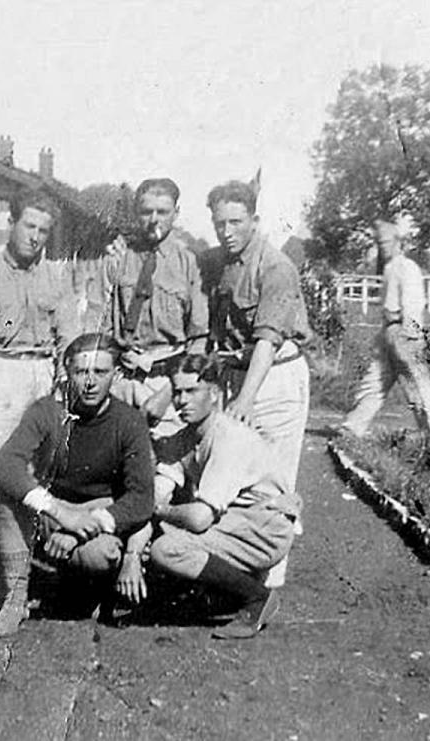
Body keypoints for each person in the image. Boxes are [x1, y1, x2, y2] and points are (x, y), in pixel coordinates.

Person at [0, 333, 154, 637]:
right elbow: (4, 466)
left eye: (101, 372)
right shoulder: (47, 411)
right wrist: (62, 514)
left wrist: (79, 529)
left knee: (100, 555)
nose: (90, 382)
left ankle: (88, 591)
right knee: (8, 497)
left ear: (116, 375)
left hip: (96, 513)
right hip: (55, 509)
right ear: (67, 371)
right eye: (81, 372)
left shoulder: (129, 421)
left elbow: (141, 498)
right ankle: (15, 598)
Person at [203, 181, 311, 587]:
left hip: (274, 376)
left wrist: (245, 399)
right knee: (237, 477)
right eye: (219, 224)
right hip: (238, 374)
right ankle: (238, 575)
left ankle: (269, 585)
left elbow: (267, 339)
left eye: (236, 222)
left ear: (255, 221)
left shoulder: (276, 266)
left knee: (273, 481)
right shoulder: (222, 261)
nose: (227, 231)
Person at [148, 353, 299, 639]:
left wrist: (158, 510)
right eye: (177, 392)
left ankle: (257, 598)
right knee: (160, 531)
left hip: (264, 528)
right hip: (236, 521)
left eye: (192, 391)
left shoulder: (228, 436)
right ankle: (217, 594)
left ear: (215, 393)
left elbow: (198, 519)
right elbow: (162, 485)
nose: (182, 401)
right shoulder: (187, 436)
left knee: (166, 549)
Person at [0, 190, 79, 522]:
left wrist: (63, 382)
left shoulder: (57, 277)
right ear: (11, 223)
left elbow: (68, 333)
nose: (35, 237)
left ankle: (37, 550)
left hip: (45, 373)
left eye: (43, 231)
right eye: (29, 226)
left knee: (45, 464)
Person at [102, 177, 207, 427]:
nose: (154, 219)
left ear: (176, 213)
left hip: (168, 383)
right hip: (123, 378)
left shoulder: (189, 263)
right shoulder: (119, 256)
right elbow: (102, 325)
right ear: (136, 213)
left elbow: (199, 338)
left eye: (163, 212)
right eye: (146, 212)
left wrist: (169, 392)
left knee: (168, 462)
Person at [340, 219, 430, 441]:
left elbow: (413, 305)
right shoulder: (388, 268)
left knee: (417, 386)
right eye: (379, 243)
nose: (382, 247)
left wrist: (409, 338)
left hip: (404, 331)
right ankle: (352, 427)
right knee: (375, 381)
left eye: (386, 242)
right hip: (388, 331)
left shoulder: (408, 268)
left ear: (399, 242)